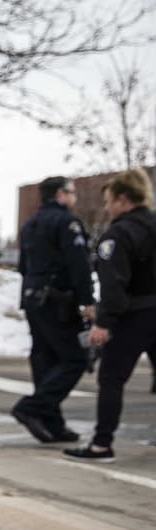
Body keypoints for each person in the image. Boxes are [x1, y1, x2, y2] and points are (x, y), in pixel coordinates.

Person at [64, 169, 156, 462]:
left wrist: (104, 322)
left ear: (122, 198)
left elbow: (114, 283)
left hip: (136, 313)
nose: (107, 208)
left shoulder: (119, 234)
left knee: (111, 378)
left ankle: (101, 444)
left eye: (108, 201)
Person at [11, 176, 96, 443]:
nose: (75, 197)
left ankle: (52, 423)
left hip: (33, 297)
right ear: (61, 193)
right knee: (74, 359)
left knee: (45, 360)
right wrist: (87, 301)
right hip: (57, 299)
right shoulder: (66, 223)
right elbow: (79, 264)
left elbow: (23, 265)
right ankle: (32, 408)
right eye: (72, 192)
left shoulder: (30, 223)